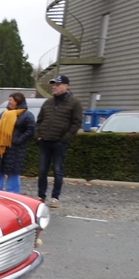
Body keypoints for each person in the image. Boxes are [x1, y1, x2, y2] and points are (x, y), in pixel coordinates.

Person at [35, 74, 83, 207]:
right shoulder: (48, 102)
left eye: (57, 84)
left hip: (59, 142)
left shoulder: (74, 103)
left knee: (57, 171)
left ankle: (55, 198)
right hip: (45, 141)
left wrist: (64, 139)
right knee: (42, 171)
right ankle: (41, 196)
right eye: (54, 84)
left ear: (66, 86)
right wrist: (38, 135)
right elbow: (39, 121)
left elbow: (76, 123)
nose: (54, 87)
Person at [0, 92, 35, 194]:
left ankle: (13, 193)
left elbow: (31, 130)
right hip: (1, 147)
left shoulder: (27, 115)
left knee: (13, 171)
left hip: (16, 148)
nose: (9, 102)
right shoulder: (4, 114)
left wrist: (18, 140)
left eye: (11, 100)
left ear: (17, 101)